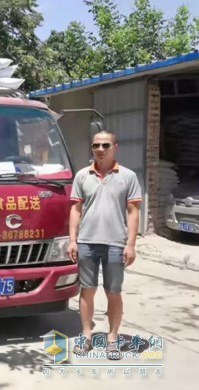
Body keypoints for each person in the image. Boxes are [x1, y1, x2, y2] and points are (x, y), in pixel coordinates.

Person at [67, 130, 142, 359]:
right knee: (87, 290)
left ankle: (112, 338)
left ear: (115, 147)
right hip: (87, 242)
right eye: (96, 145)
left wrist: (130, 244)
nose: (100, 149)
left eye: (105, 145)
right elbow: (76, 209)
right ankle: (87, 335)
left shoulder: (128, 177)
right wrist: (72, 240)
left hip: (115, 244)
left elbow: (133, 212)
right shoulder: (82, 176)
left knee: (114, 292)